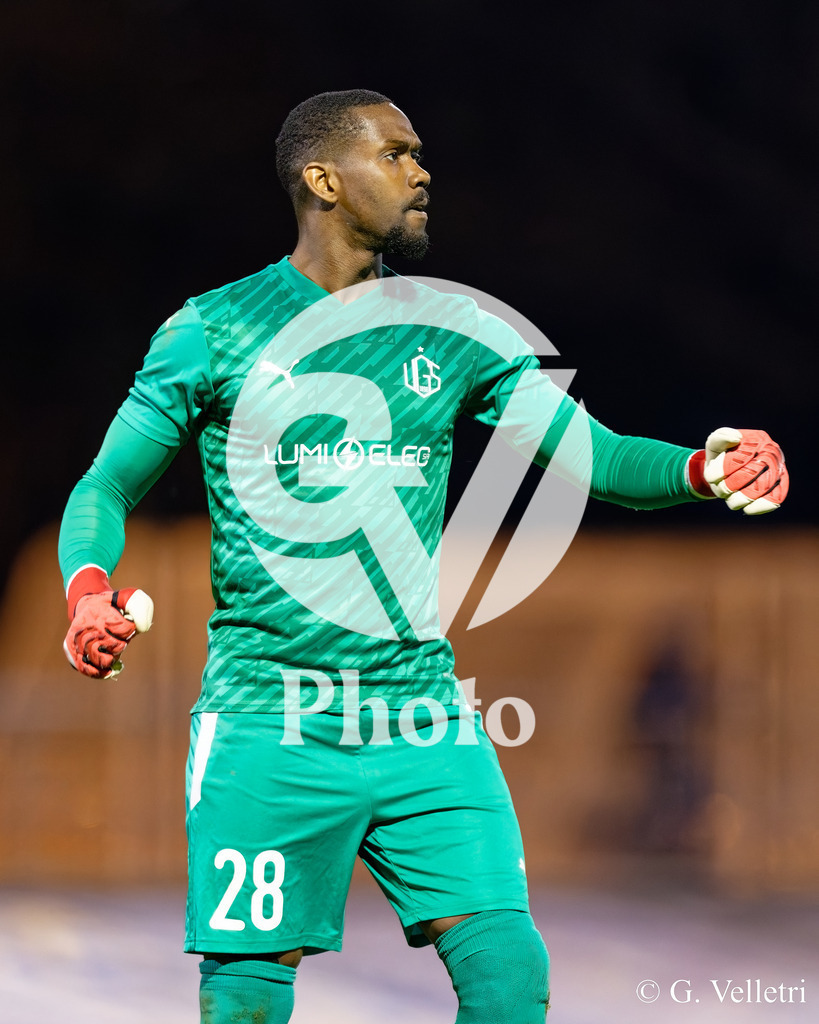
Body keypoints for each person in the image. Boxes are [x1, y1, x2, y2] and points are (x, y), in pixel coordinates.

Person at [58, 89, 788, 1024]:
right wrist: (87, 592)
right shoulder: (214, 330)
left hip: (421, 715)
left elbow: (596, 458)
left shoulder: (458, 331)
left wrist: (699, 468)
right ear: (324, 179)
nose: (421, 171)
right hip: (266, 717)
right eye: (395, 154)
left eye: (417, 153)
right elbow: (105, 488)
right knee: (245, 998)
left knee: (509, 977)